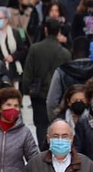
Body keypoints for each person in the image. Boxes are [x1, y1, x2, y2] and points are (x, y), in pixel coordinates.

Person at [23, 17, 70, 148]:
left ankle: (43, 149)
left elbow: (28, 72)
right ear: (59, 31)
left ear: (45, 30)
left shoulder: (35, 49)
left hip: (39, 93)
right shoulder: (64, 53)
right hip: (58, 97)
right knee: (57, 123)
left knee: (41, 125)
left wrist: (26, 91)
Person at [45, 34, 93, 118]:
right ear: (89, 53)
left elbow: (51, 102)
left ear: (72, 52)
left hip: (67, 119)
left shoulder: (61, 71)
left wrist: (56, 120)